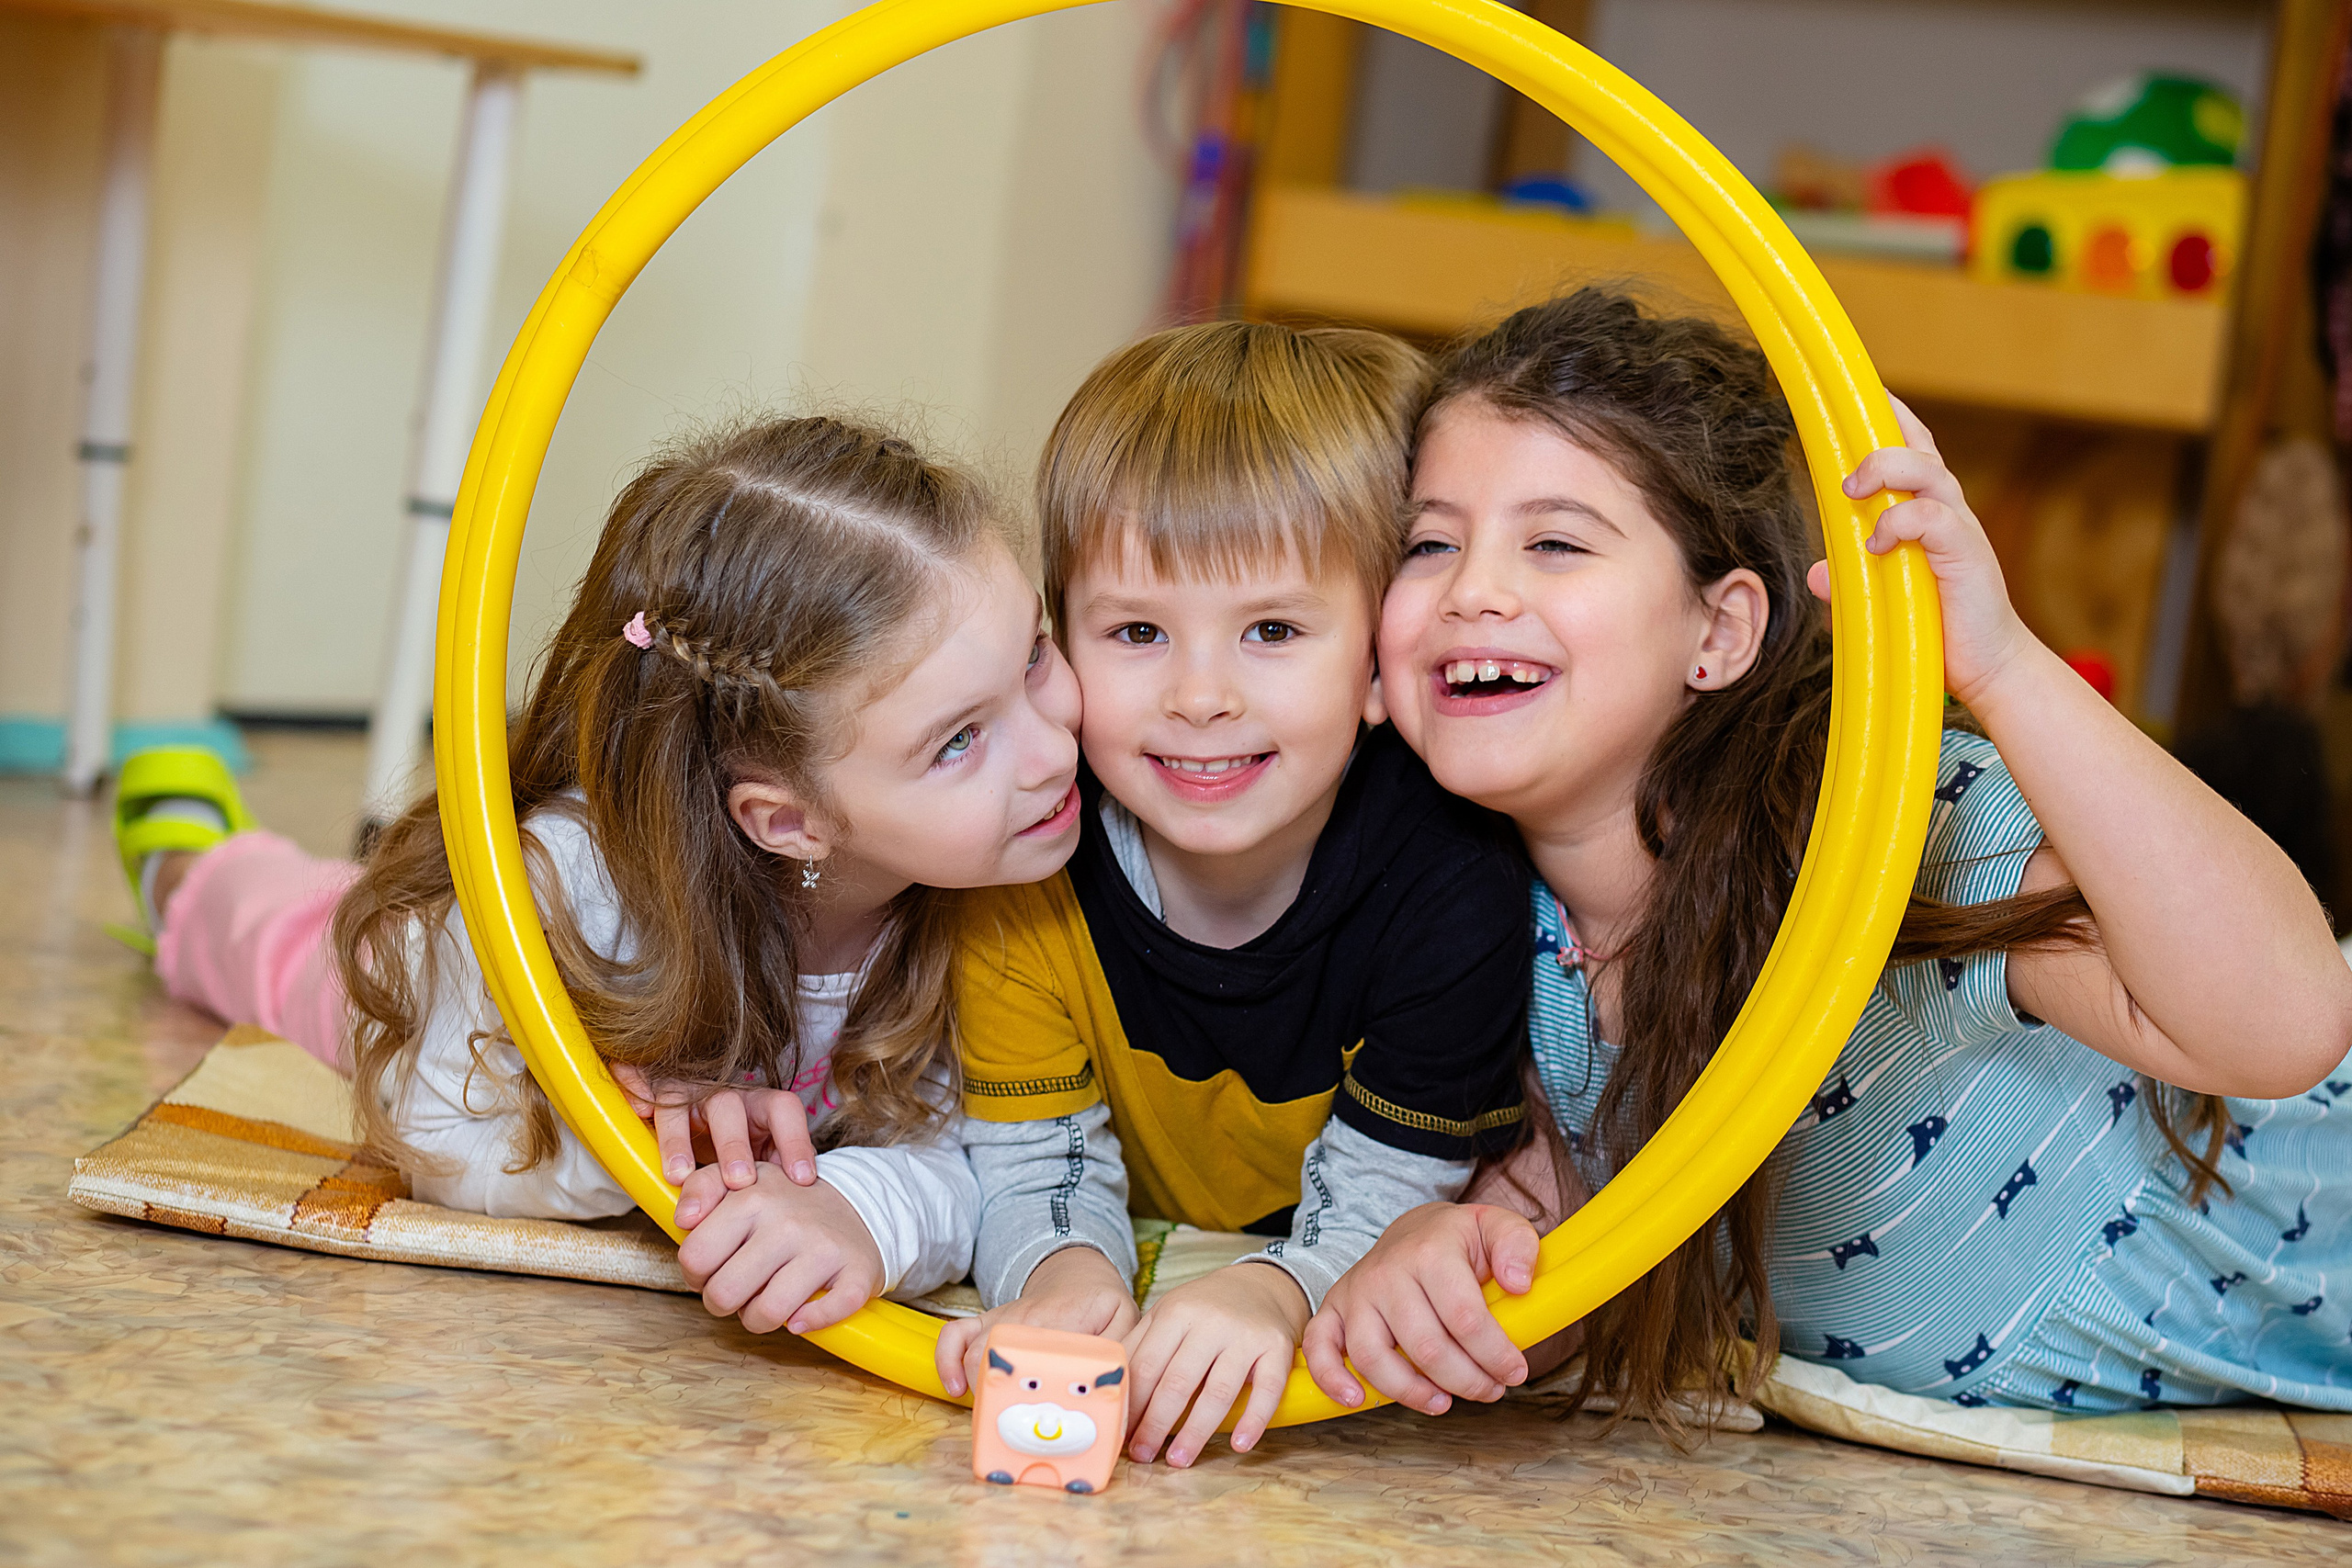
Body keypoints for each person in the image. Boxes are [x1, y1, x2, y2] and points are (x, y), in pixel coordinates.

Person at [1304, 289, 2352, 1427]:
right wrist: (1441, 1260)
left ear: (1720, 633)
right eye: (1430, 543)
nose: (1473, 589)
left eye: (1553, 542)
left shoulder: (1879, 836)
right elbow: (1572, 1252)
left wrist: (1996, 662)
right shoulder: (1475, 927)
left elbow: (2286, 1023)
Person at [112, 413, 1086, 1341]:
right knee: (280, 929)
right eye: (960, 740)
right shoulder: (564, 885)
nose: (1052, 750)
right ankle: (183, 851)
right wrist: (638, 1151)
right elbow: (442, 1140)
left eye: (1036, 656)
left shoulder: (1003, 908)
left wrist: (860, 1208)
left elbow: (979, 1163)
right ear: (789, 822)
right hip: (434, 1001)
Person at [933, 321, 1533, 1468]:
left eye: (1270, 630)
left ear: (1373, 665)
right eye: (1138, 631)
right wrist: (1065, 1280)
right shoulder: (1021, 874)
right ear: (1056, 652)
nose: (1200, 697)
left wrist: (1281, 1294)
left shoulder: (1453, 882)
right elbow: (1031, 1163)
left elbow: (1389, 1206)